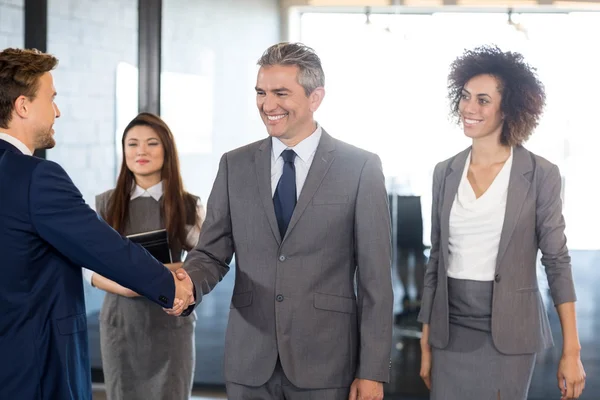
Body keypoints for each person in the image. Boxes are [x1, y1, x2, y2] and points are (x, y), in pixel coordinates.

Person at [177, 42, 393, 400]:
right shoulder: (235, 165)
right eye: (261, 92)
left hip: (326, 361)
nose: (267, 105)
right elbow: (210, 255)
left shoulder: (361, 168)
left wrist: (372, 371)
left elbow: (375, 281)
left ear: (316, 97)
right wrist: (185, 286)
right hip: (249, 361)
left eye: (281, 93)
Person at [0, 48, 194, 400]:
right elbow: (105, 249)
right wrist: (170, 285)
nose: (57, 110)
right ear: (23, 106)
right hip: (35, 363)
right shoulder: (36, 177)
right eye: (51, 98)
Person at [418, 45, 586, 400]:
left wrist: (572, 351)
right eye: (465, 97)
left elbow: (556, 261)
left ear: (508, 108)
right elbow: (436, 260)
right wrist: (426, 338)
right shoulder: (444, 172)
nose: (469, 108)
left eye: (482, 100)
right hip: (451, 328)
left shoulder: (540, 174)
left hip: (510, 331)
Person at [82, 112, 204, 399]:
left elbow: (203, 261)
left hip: (170, 323)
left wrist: (147, 274)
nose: (141, 152)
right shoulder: (105, 204)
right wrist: (126, 285)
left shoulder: (188, 205)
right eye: (132, 144)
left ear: (167, 150)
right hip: (121, 325)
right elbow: (89, 270)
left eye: (152, 143)